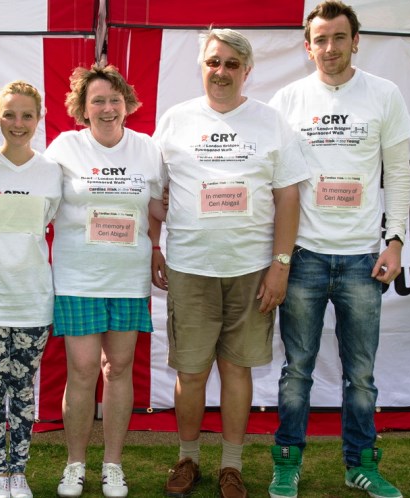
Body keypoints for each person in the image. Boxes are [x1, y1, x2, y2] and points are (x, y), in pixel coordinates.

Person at [152, 29, 309, 498]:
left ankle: (232, 466)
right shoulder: (176, 121)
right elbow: (155, 194)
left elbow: (288, 198)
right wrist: (156, 247)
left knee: (238, 369)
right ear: (202, 66)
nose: (221, 72)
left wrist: (280, 264)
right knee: (193, 372)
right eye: (213, 62)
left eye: (231, 64)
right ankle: (188, 459)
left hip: (251, 270)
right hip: (190, 267)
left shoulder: (271, 122)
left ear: (246, 70)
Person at [266, 3, 410, 498]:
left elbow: (397, 173)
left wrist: (394, 241)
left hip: (362, 259)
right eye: (320, 39)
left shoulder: (384, 95)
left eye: (339, 38)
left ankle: (362, 465)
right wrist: (279, 257)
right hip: (304, 255)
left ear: (356, 41)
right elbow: (276, 183)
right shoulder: (287, 100)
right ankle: (287, 462)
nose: (329, 49)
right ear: (307, 46)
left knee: (361, 374)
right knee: (297, 370)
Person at [44, 64, 165, 498]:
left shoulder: (147, 149)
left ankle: (113, 464)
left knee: (118, 370)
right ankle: (75, 464)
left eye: (114, 100)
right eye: (98, 100)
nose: (108, 108)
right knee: (80, 371)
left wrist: (155, 249)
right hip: (78, 277)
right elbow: (40, 202)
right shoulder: (64, 147)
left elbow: (156, 209)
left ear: (127, 104)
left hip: (128, 278)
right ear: (82, 107)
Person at [0, 81, 62, 498]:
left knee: (22, 389)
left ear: (39, 119)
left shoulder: (52, 170)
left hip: (33, 300)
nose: (18, 123)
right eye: (10, 114)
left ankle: (18, 470)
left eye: (27, 115)